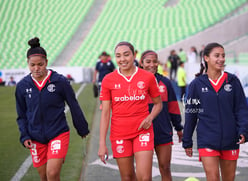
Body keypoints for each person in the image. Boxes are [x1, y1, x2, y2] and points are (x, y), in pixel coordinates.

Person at [15, 37, 90, 181]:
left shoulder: (60, 81)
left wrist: (82, 127)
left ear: (47, 63)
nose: (36, 68)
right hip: (35, 137)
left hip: (58, 133)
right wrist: (24, 136)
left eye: (40, 64)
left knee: (52, 173)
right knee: (44, 177)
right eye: (32, 65)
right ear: (28, 64)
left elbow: (73, 105)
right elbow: (21, 115)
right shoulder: (22, 86)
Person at [182, 42, 248, 181]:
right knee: (212, 178)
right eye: (217, 56)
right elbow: (191, 114)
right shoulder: (196, 84)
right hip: (207, 139)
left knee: (228, 179)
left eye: (223, 56)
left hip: (231, 140)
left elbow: (241, 109)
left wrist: (243, 130)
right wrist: (187, 140)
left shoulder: (233, 81)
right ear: (206, 58)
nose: (221, 59)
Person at [98, 41, 162, 181]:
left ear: (134, 55)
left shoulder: (147, 77)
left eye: (126, 55)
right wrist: (102, 144)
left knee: (144, 177)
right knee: (127, 177)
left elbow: (158, 104)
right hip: (120, 134)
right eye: (118, 56)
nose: (122, 59)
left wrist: (150, 118)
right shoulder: (108, 80)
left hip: (142, 131)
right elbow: (105, 113)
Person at [140, 50, 183, 181]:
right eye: (148, 62)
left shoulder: (165, 82)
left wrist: (178, 128)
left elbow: (173, 107)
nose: (152, 65)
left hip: (163, 131)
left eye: (155, 61)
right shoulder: (135, 82)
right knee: (144, 174)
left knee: (165, 168)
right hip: (142, 133)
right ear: (141, 63)